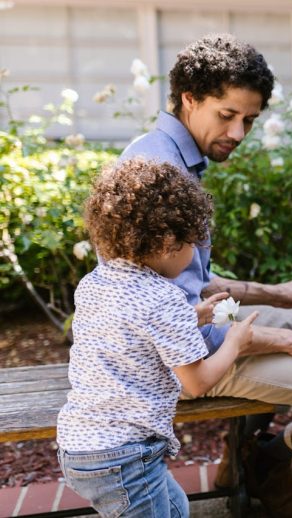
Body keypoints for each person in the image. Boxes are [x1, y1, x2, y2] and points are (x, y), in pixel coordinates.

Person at [119, 33, 292, 517]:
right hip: (179, 360)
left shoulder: (173, 154)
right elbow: (175, 323)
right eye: (228, 116)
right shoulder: (157, 168)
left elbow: (193, 283)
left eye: (250, 120)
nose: (239, 134)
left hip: (193, 327)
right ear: (189, 98)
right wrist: (286, 343)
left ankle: (244, 459)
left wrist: (275, 295)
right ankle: (271, 460)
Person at [57, 159, 259, 517]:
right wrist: (234, 343)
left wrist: (191, 318)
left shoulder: (94, 283)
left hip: (81, 445)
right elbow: (196, 383)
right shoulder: (163, 299)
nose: (195, 254)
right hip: (126, 457)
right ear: (168, 244)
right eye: (192, 245)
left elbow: (130, 331)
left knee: (176, 507)